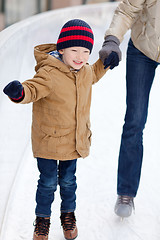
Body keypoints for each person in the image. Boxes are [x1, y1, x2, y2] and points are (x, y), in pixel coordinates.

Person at [3, 19, 109, 240]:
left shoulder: (85, 70)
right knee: (48, 183)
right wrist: (20, 92)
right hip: (49, 141)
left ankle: (68, 216)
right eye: (74, 50)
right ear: (61, 49)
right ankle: (42, 221)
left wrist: (106, 62)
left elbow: (95, 74)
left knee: (69, 182)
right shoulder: (49, 72)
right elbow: (33, 88)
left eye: (86, 51)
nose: (80, 57)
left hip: (73, 140)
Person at [99, 0, 160, 218]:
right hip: (142, 48)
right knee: (135, 119)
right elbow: (127, 9)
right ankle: (126, 192)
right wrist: (113, 39)